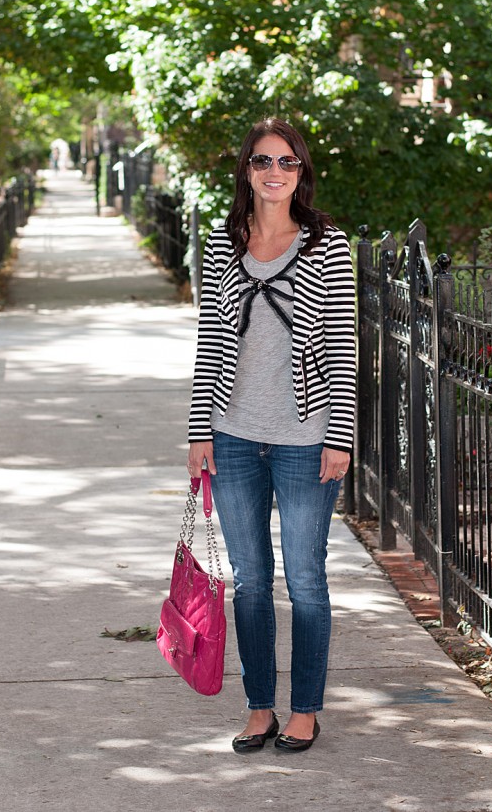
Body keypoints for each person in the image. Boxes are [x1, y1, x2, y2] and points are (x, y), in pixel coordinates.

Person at [187, 117, 356, 753]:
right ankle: (260, 706)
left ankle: (305, 710)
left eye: (287, 162)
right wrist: (199, 430)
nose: (275, 173)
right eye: (263, 162)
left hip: (306, 436)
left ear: (300, 173)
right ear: (247, 172)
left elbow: (342, 345)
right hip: (231, 434)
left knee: (306, 578)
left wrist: (338, 438)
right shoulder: (222, 244)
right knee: (251, 578)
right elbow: (210, 341)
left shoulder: (325, 243)